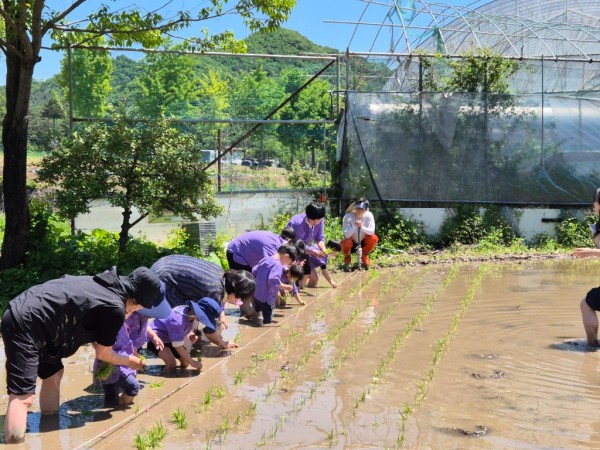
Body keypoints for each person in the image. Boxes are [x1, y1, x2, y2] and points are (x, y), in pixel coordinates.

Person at [1, 266, 162, 443]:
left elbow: (95, 336)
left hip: (45, 324)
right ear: (135, 300)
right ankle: (14, 443)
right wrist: (129, 361)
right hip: (26, 323)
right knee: (23, 396)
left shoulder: (106, 285)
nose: (137, 310)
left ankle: (49, 421)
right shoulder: (115, 307)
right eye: (140, 307)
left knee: (54, 373)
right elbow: (103, 354)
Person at [150, 254, 255, 329]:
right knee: (179, 314)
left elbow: (219, 299)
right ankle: (170, 343)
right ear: (234, 290)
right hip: (164, 276)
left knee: (190, 313)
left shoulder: (222, 275)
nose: (238, 301)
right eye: (239, 297)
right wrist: (223, 343)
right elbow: (209, 326)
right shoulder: (214, 290)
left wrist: (221, 315)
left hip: (167, 262)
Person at [146, 298, 224, 372]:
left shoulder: (189, 313)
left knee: (185, 363)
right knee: (171, 364)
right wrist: (193, 362)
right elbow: (177, 346)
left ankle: (177, 375)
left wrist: (190, 333)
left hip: (170, 338)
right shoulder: (178, 321)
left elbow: (186, 329)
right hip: (157, 340)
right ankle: (165, 377)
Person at [573, 187, 600, 346]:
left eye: (595, 201)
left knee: (586, 304)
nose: (594, 205)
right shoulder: (597, 227)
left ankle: (592, 346)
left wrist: (593, 252)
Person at [252, 242, 299, 325]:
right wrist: (285, 287)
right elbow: (273, 280)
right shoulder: (278, 265)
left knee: (256, 312)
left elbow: (254, 271)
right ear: (286, 256)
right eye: (289, 262)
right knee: (267, 321)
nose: (287, 265)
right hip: (267, 299)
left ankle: (250, 319)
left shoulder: (266, 259)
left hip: (257, 295)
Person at [286, 202, 327, 286]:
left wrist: (323, 249)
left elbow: (319, 238)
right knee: (295, 275)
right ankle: (293, 289)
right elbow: (297, 245)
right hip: (291, 249)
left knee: (314, 279)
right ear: (308, 216)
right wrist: (313, 252)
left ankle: (299, 289)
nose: (317, 222)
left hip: (305, 249)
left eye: (319, 220)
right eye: (315, 220)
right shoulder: (297, 223)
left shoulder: (319, 219)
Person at [226, 227, 296, 272]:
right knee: (244, 284)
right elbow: (270, 266)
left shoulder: (276, 239)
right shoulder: (272, 246)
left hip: (242, 253)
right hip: (236, 253)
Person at [341, 199, 379, 269]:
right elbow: (347, 235)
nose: (360, 211)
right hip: (352, 241)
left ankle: (364, 256)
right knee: (345, 242)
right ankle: (347, 259)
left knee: (373, 238)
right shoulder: (348, 217)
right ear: (354, 208)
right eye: (358, 209)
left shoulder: (369, 216)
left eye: (362, 209)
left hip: (363, 241)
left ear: (365, 210)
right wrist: (355, 226)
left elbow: (371, 232)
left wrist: (362, 227)